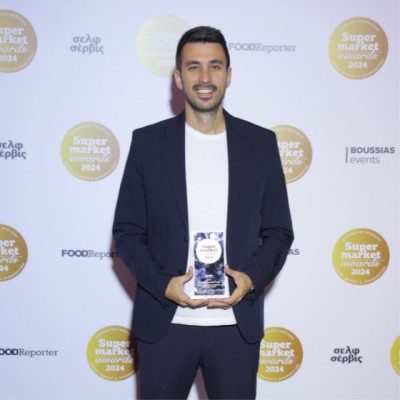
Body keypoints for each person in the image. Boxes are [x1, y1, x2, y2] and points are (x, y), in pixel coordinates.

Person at [113, 26, 294, 400]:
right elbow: (127, 232)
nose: (205, 77)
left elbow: (279, 231)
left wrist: (251, 280)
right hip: (166, 324)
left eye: (215, 66)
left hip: (235, 328)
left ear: (229, 75)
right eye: (193, 67)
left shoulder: (260, 144)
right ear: (179, 78)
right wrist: (163, 284)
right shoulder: (148, 143)